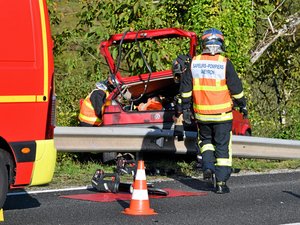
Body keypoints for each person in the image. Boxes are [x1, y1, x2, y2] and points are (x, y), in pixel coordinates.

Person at [178, 28, 248, 194]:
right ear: (220, 43)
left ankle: (208, 167)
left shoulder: (194, 62)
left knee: (206, 142)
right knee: (223, 148)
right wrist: (242, 104)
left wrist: (186, 108)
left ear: (204, 43)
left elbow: (185, 89)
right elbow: (236, 88)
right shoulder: (224, 62)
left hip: (202, 115)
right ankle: (221, 183)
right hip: (222, 114)